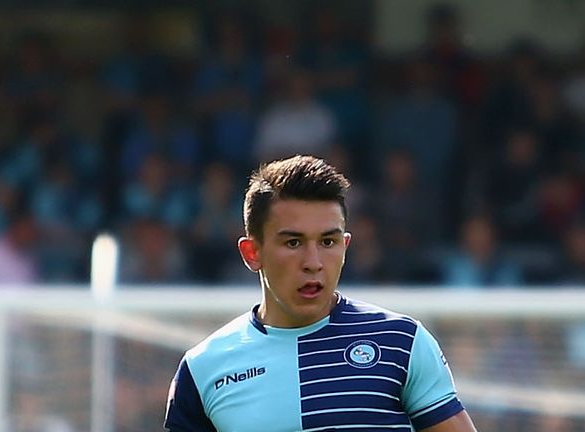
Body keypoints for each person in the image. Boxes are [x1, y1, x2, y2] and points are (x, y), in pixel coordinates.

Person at [164, 155, 477, 431]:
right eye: (293, 243)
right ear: (252, 252)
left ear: (345, 246)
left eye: (328, 242)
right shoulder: (202, 369)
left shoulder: (402, 342)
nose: (313, 263)